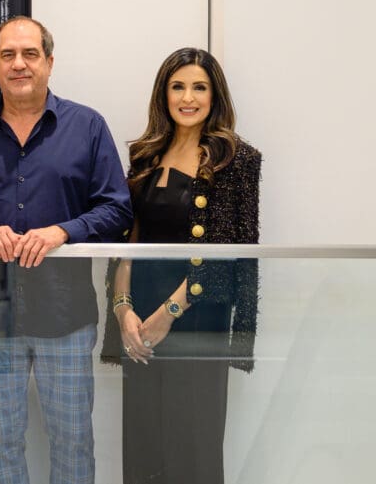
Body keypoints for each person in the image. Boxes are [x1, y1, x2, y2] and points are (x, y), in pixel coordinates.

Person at [0, 16, 132, 484]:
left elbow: (117, 210)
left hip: (66, 315)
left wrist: (65, 231)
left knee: (73, 441)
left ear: (49, 63)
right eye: (8, 55)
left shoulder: (88, 126)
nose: (19, 64)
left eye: (30, 54)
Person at [102, 47, 261, 484]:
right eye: (177, 86)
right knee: (145, 442)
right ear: (163, 94)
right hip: (140, 326)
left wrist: (168, 314)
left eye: (199, 87)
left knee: (194, 445)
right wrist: (122, 310)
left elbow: (231, 251)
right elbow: (127, 242)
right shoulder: (144, 156)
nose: (187, 97)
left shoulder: (237, 161)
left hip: (199, 322)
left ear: (215, 95)